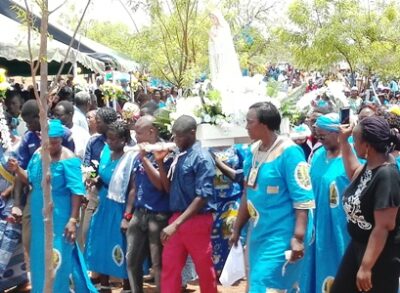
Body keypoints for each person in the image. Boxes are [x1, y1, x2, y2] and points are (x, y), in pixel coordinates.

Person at [230, 102, 315, 292]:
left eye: (249, 122)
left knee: (267, 283)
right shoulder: (252, 153)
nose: (246, 126)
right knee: (257, 282)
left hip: (283, 235)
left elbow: (303, 199)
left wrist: (298, 238)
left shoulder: (289, 152)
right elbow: (247, 192)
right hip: (259, 234)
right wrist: (237, 228)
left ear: (265, 124)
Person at [9, 119, 96, 293]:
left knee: (58, 257)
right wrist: (18, 170)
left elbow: (77, 192)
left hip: (60, 216)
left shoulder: (68, 159)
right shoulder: (38, 155)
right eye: (49, 141)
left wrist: (73, 219)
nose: (53, 145)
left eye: (56, 141)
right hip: (39, 216)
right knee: (40, 258)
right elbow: (31, 180)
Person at [331, 116, 400, 293]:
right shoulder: (369, 167)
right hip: (357, 247)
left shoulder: (387, 175)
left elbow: (383, 227)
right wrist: (344, 141)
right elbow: (353, 171)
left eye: (355, 140)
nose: (354, 144)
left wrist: (366, 267)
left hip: (379, 257)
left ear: (367, 146)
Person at [158, 115, 218, 293]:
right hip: (177, 218)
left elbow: (203, 196)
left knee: (204, 269)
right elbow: (169, 189)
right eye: (174, 136)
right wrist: (160, 161)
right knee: (170, 267)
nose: (176, 140)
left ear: (192, 133)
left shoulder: (202, 158)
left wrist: (176, 224)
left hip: (197, 219)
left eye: (180, 136)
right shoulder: (179, 155)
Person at [301, 113, 350, 292]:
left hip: (340, 225)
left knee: (339, 262)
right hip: (317, 224)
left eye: (323, 136)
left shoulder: (352, 156)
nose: (320, 140)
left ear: (337, 132)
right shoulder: (318, 155)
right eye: (318, 137)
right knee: (316, 263)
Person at [85, 121, 133, 293]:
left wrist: (127, 216)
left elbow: (133, 188)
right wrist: (94, 181)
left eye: (113, 140)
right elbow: (103, 176)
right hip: (104, 203)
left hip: (121, 206)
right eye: (108, 139)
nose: (109, 142)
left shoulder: (130, 158)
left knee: (122, 245)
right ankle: (104, 285)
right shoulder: (106, 151)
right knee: (101, 243)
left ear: (124, 140)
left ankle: (127, 286)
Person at [126, 116, 171, 293]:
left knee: (158, 264)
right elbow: (135, 186)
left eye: (138, 132)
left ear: (151, 132)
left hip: (159, 215)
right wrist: (128, 214)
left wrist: (145, 159)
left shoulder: (165, 151)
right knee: (132, 261)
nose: (135, 136)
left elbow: (161, 185)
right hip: (140, 212)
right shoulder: (141, 151)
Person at [79, 108, 118, 249]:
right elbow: (86, 164)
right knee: (86, 231)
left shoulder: (121, 143)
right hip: (94, 192)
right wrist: (87, 182)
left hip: (112, 195)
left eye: (99, 121)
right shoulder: (94, 141)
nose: (95, 123)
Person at [209, 144, 248, 276]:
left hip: (233, 196)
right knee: (215, 233)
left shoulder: (238, 148)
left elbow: (244, 173)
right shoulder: (205, 147)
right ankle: (218, 270)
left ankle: (233, 270)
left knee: (231, 228)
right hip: (213, 199)